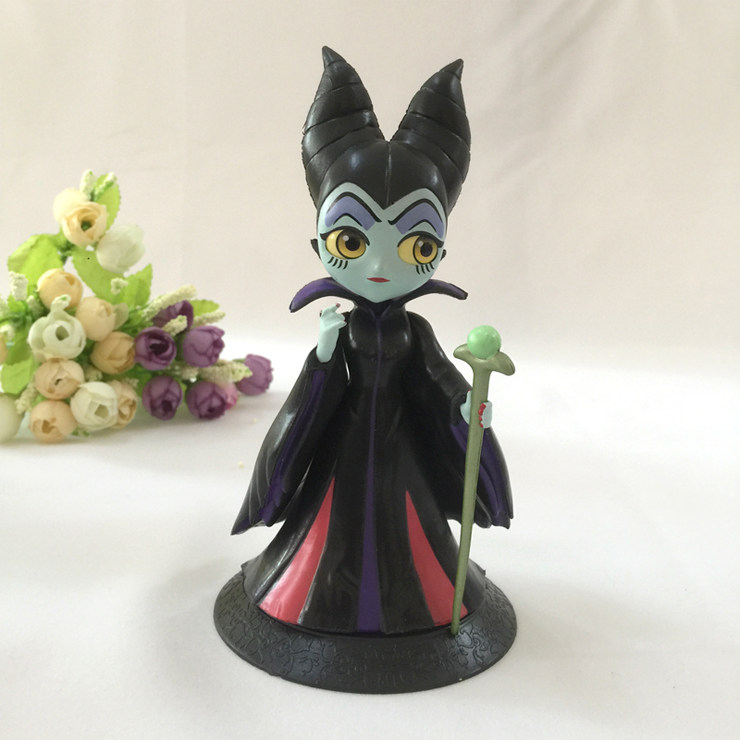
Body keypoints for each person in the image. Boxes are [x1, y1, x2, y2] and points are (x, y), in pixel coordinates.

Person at [229, 47, 513, 637]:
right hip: (344, 448)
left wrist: (466, 408)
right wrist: (323, 356)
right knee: (330, 526)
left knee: (404, 532)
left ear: (439, 249)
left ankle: (420, 600)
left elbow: (438, 379)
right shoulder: (343, 325)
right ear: (320, 243)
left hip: (402, 455)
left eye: (416, 245)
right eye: (353, 242)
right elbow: (315, 394)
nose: (381, 266)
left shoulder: (416, 331)